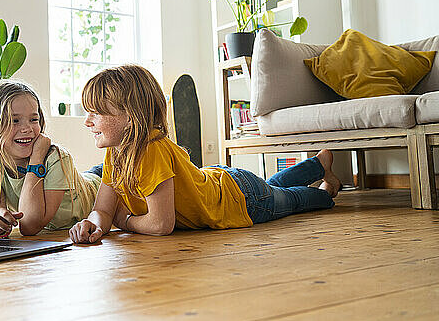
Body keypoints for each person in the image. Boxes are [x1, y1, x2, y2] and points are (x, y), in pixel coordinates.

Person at [69, 65, 340, 243]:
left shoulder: (149, 150)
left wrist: (125, 220)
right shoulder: (116, 154)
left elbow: (161, 223)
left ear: (130, 116)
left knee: (291, 200)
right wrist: (93, 225)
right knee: (272, 188)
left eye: (96, 113)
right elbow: (103, 209)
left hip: (239, 201)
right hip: (226, 183)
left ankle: (326, 190)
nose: (87, 121)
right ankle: (317, 164)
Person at [0, 80, 103, 237]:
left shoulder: (55, 158)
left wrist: (36, 158)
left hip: (101, 184)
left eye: (34, 119)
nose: (27, 129)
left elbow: (29, 226)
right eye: (15, 121)